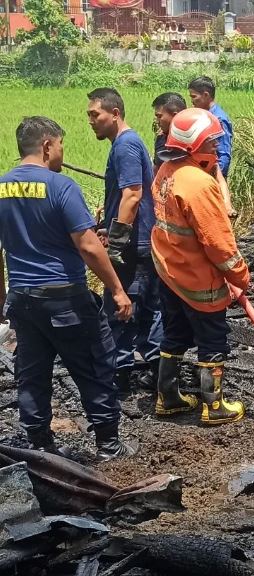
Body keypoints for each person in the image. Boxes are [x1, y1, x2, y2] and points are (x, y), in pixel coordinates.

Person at [0, 116, 135, 461]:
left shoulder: (2, 187)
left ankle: (41, 446)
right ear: (47, 145)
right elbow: (88, 246)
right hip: (64, 298)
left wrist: (4, 301)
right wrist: (118, 290)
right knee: (94, 363)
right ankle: (108, 445)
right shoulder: (61, 186)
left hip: (22, 299)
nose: (62, 152)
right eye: (60, 144)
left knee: (32, 372)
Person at [152, 108, 249, 424]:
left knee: (174, 334)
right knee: (212, 339)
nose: (216, 149)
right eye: (210, 143)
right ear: (191, 146)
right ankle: (214, 406)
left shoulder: (167, 170)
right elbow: (219, 243)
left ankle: (167, 397)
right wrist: (239, 276)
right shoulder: (197, 183)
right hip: (197, 278)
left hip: (169, 272)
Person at [87, 88, 163, 393]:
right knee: (146, 306)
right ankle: (156, 370)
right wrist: (110, 219)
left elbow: (133, 194)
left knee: (121, 306)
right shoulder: (125, 143)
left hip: (135, 245)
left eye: (96, 114)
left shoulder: (125, 146)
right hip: (140, 239)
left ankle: (124, 373)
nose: (91, 121)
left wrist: (117, 241)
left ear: (115, 113)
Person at [187, 76, 235, 216]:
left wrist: (216, 180)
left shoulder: (219, 119)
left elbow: (224, 154)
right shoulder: (204, 116)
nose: (192, 101)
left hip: (213, 178)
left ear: (206, 95)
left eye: (194, 97)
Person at [151, 92, 187, 173]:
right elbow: (156, 168)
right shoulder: (161, 138)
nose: (157, 121)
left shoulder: (193, 141)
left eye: (159, 116)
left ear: (175, 116)